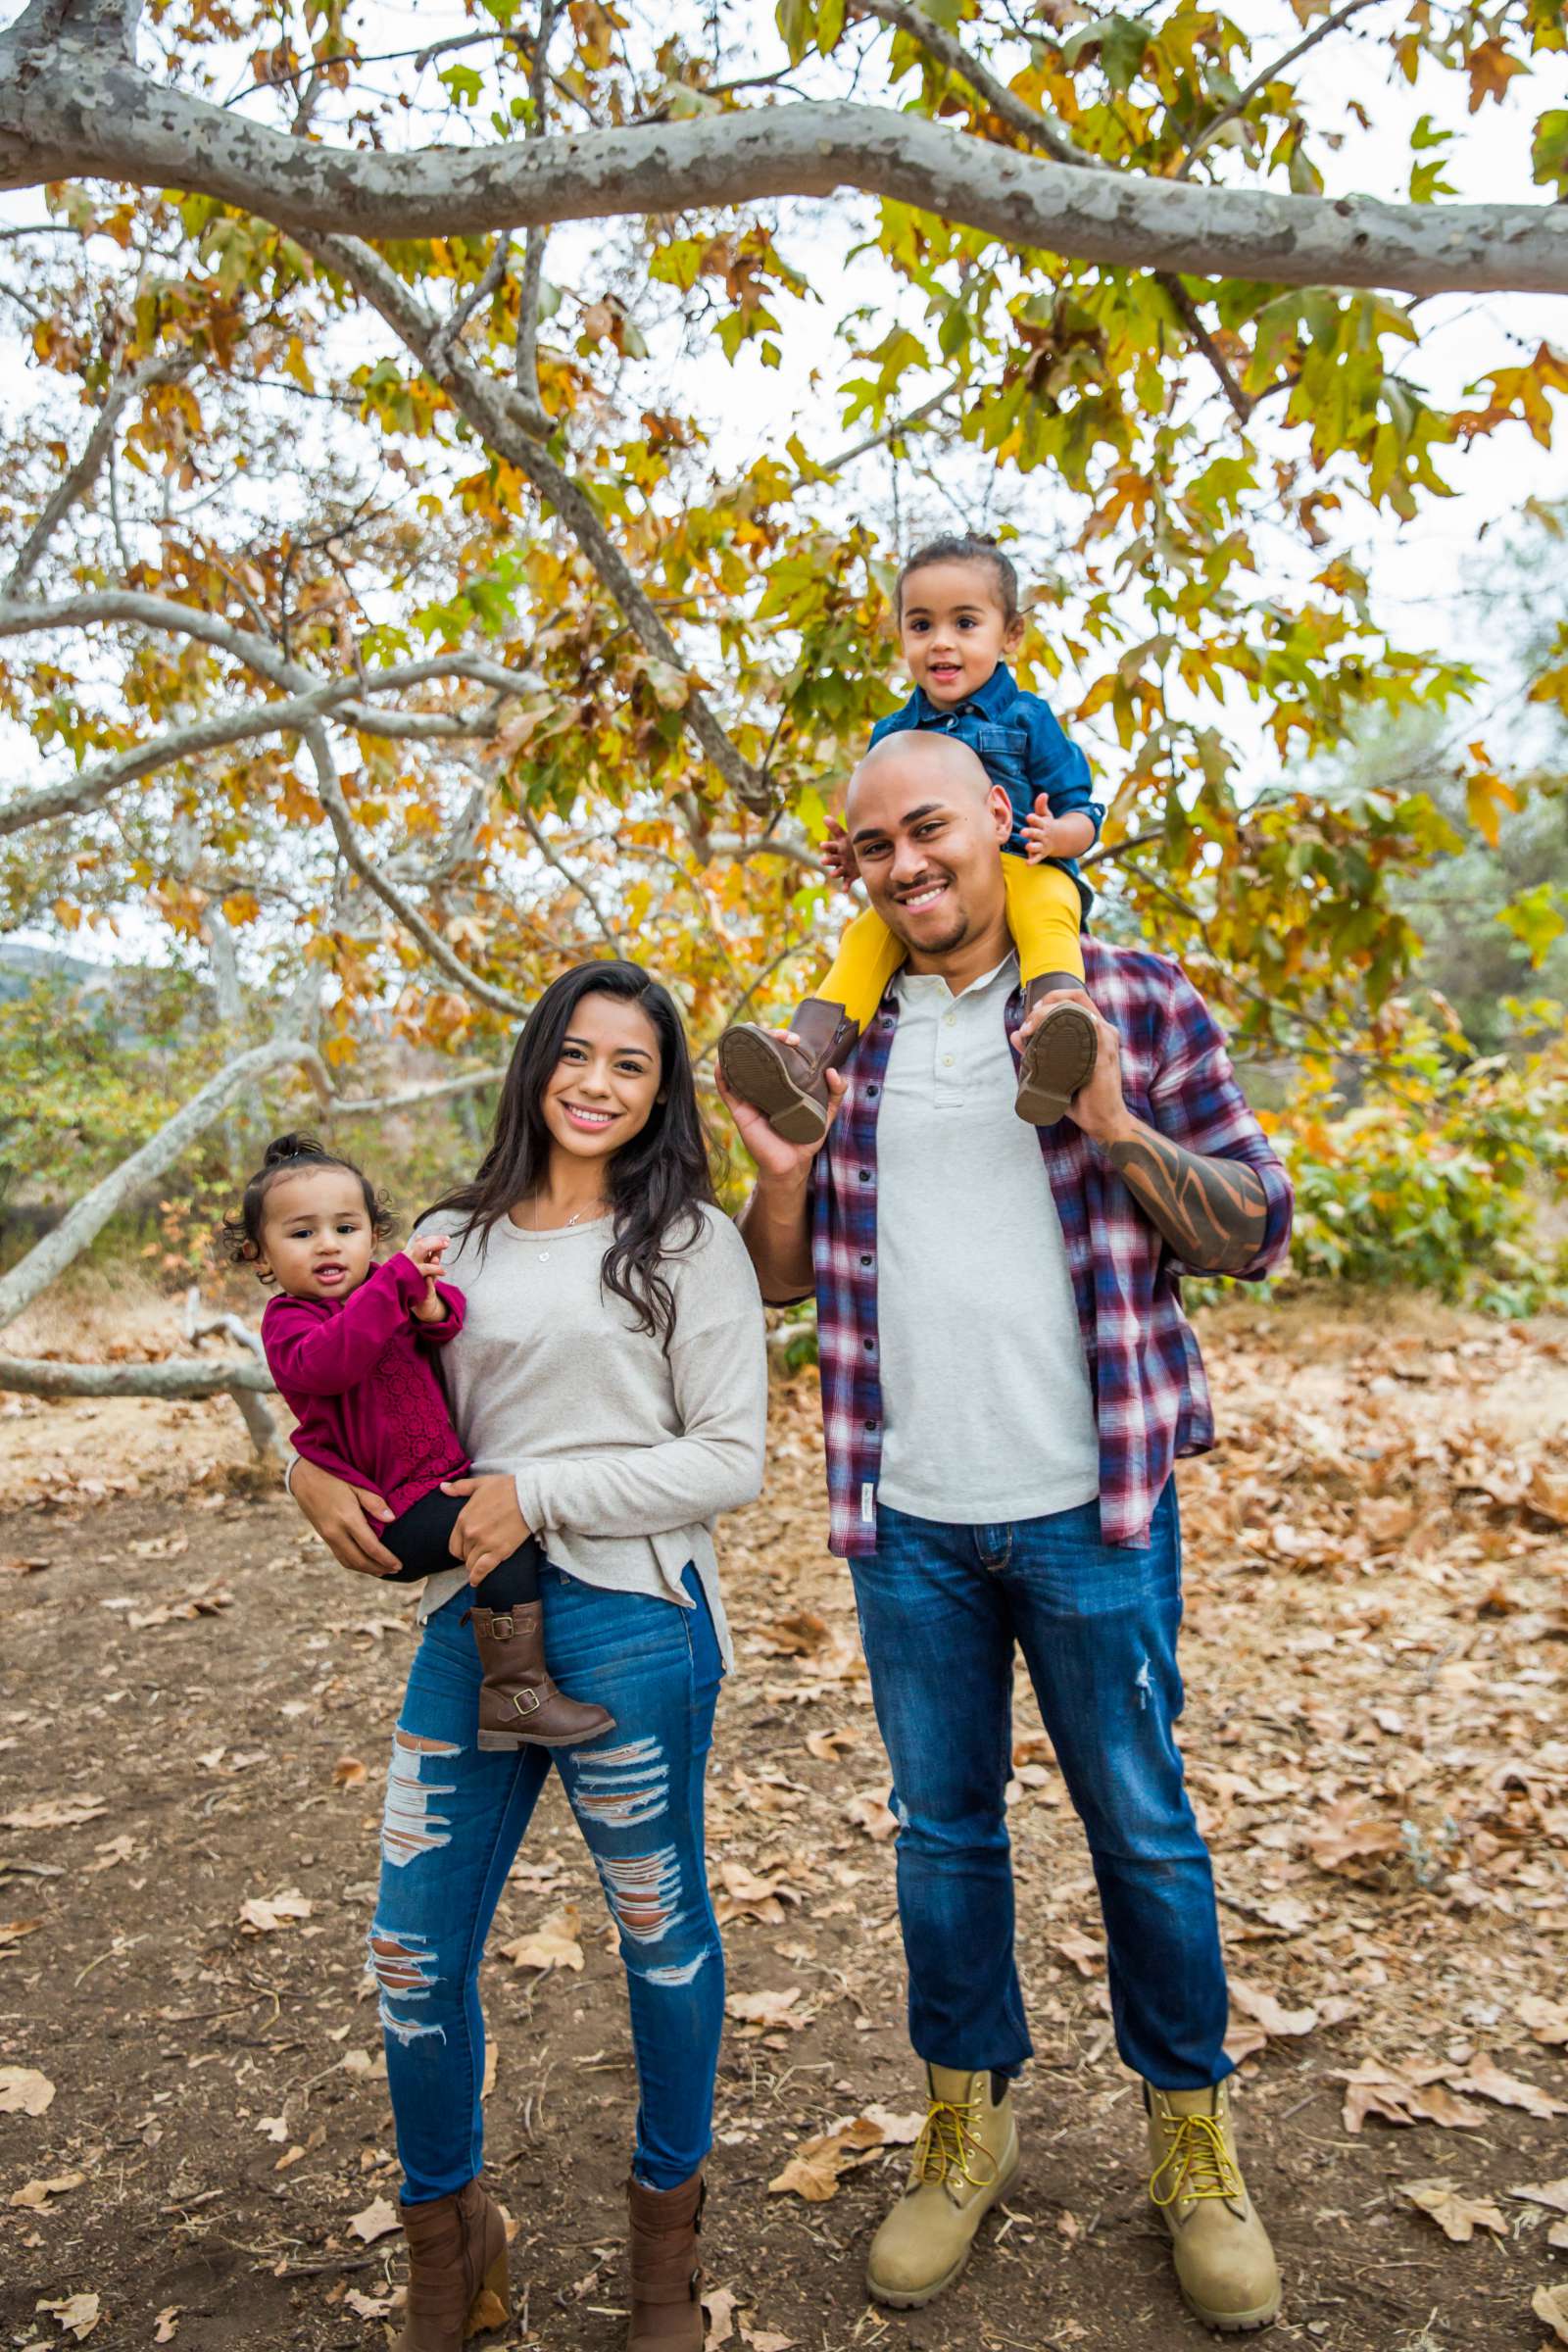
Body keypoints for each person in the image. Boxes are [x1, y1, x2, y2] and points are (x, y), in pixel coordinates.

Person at [721, 731, 1295, 2336]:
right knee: (944, 1834)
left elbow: (1257, 1225)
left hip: (1094, 1510)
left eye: (931, 830)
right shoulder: (832, 1045)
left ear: (999, 824)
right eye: (871, 847)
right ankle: (966, 2124)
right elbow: (780, 1279)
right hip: (906, 1516)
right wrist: (780, 1173)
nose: (905, 865)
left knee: (1145, 1831)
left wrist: (1111, 1122)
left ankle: (1193, 2139)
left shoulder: (1128, 1000)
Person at [285, 961, 767, 2352]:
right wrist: (309, 1484)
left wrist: (542, 1490)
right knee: (410, 1955)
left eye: (632, 1063)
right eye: (578, 1053)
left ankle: (664, 2257)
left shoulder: (691, 1243)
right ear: (536, 1063)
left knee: (659, 1943)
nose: (599, 1084)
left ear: (662, 1090)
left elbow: (729, 1459)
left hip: (634, 1620)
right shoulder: (445, 1237)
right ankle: (454, 2246)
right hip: (469, 1625)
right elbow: (355, 1395)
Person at [224, 1133, 612, 1748]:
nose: (328, 1244)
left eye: (345, 1228)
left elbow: (448, 1322)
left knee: (500, 1527)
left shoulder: (380, 1291)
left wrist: (430, 1303)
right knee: (499, 1532)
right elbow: (332, 1363)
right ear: (261, 1255)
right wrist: (394, 1285)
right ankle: (516, 1693)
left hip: (434, 1480)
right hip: (387, 1512)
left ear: (371, 1236)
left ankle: (518, 1677)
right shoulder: (290, 1323)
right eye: (301, 1234)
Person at [719, 532, 1104, 1138]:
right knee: (864, 939)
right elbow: (887, 818)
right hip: (939, 882)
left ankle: (1054, 1033)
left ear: (1010, 636)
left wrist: (1059, 838)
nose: (941, 642)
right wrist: (857, 852)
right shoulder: (892, 732)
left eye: (966, 623)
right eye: (921, 625)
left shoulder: (1027, 718)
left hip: (1024, 864)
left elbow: (1086, 810)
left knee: (1048, 911)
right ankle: (804, 1066)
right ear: (902, 634)